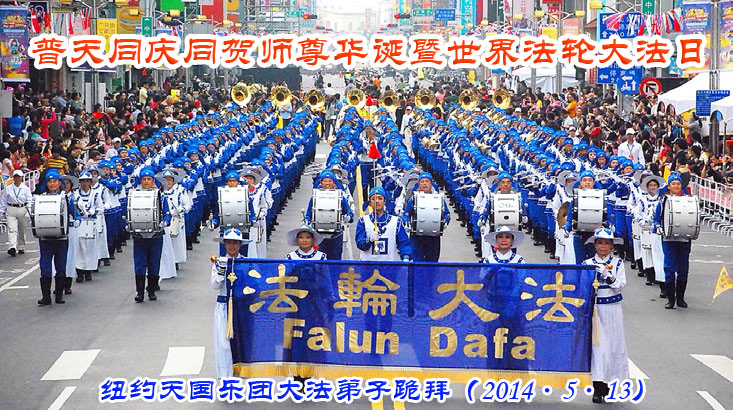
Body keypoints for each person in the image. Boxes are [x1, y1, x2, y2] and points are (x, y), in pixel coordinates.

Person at [582, 227, 629, 404]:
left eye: (607, 243)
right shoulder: (587, 263)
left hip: (612, 308)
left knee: (613, 347)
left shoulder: (618, 263)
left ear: (612, 246)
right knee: (597, 349)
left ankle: (608, 382)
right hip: (595, 310)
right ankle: (597, 386)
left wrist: (607, 275)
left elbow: (620, 285)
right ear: (595, 244)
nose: (603, 246)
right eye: (600, 243)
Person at [210, 228, 250, 378]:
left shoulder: (246, 263)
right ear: (224, 245)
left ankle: (242, 369)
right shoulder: (218, 262)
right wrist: (221, 272)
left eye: (235, 243)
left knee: (242, 340)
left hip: (241, 307)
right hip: (223, 306)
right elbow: (215, 285)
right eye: (228, 243)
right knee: (223, 343)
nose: (232, 246)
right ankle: (225, 373)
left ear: (240, 245)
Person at [35, 169, 79, 305]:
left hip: (61, 238)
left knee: (61, 266)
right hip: (45, 238)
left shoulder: (66, 198)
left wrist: (76, 221)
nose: (52, 184)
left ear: (60, 183)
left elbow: (75, 214)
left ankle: (59, 295)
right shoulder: (41, 198)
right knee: (45, 267)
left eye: (55, 181)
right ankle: (46, 296)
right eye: (50, 182)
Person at [130, 167, 172, 303]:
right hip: (139, 235)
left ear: (153, 180)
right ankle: (140, 292)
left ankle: (152, 290)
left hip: (155, 234)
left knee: (154, 263)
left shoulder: (160, 195)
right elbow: (129, 211)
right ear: (140, 181)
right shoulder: (134, 195)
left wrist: (165, 222)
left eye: (149, 179)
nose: (146, 181)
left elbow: (167, 213)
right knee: (139, 264)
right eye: (144, 179)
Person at [653, 174, 692, 309]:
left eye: (678, 183)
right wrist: (658, 226)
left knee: (683, 268)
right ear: (668, 186)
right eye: (673, 184)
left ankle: (680, 298)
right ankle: (671, 299)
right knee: (669, 267)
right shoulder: (663, 201)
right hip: (668, 238)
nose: (676, 186)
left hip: (684, 238)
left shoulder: (688, 200)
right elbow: (656, 219)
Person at [303, 170, 354, 260]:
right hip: (319, 235)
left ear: (333, 182)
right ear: (321, 182)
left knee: (335, 261)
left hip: (336, 235)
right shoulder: (314, 197)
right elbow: (309, 214)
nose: (327, 183)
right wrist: (306, 220)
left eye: (330, 181)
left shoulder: (340, 197)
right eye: (325, 181)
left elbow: (348, 212)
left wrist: (348, 217)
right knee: (319, 260)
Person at [401, 172, 450, 262]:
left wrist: (445, 221)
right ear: (418, 184)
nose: (424, 183)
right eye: (422, 181)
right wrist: (406, 222)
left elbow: (446, 213)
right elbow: (406, 213)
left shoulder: (438, 198)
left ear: (431, 184)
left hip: (433, 237)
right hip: (417, 237)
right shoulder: (413, 198)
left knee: (432, 261)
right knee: (417, 261)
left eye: (427, 181)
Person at [355, 187, 411, 261]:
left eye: (380, 198)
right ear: (369, 203)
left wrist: (406, 257)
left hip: (390, 265)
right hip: (368, 265)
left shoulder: (396, 221)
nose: (377, 201)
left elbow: (404, 244)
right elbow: (360, 244)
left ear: (385, 202)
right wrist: (369, 240)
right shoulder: (363, 221)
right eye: (374, 199)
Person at [0, 170, 32, 256]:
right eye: (15, 177)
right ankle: (12, 247)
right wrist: (1, 211)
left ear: (21, 178)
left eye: (19, 177)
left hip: (22, 208)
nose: (17, 178)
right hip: (11, 208)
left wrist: (29, 212)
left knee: (22, 229)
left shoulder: (25, 189)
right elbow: (3, 200)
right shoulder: (8, 188)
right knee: (12, 229)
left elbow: (29, 200)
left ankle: (21, 246)